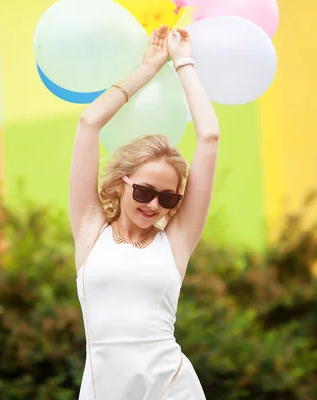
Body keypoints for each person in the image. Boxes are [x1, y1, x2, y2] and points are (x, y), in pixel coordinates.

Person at [69, 24, 220, 400]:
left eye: (167, 198)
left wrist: (184, 62)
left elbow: (210, 136)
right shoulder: (91, 230)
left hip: (172, 388)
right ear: (122, 181)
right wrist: (150, 67)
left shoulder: (176, 243)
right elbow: (89, 122)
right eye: (144, 191)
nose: (153, 205)